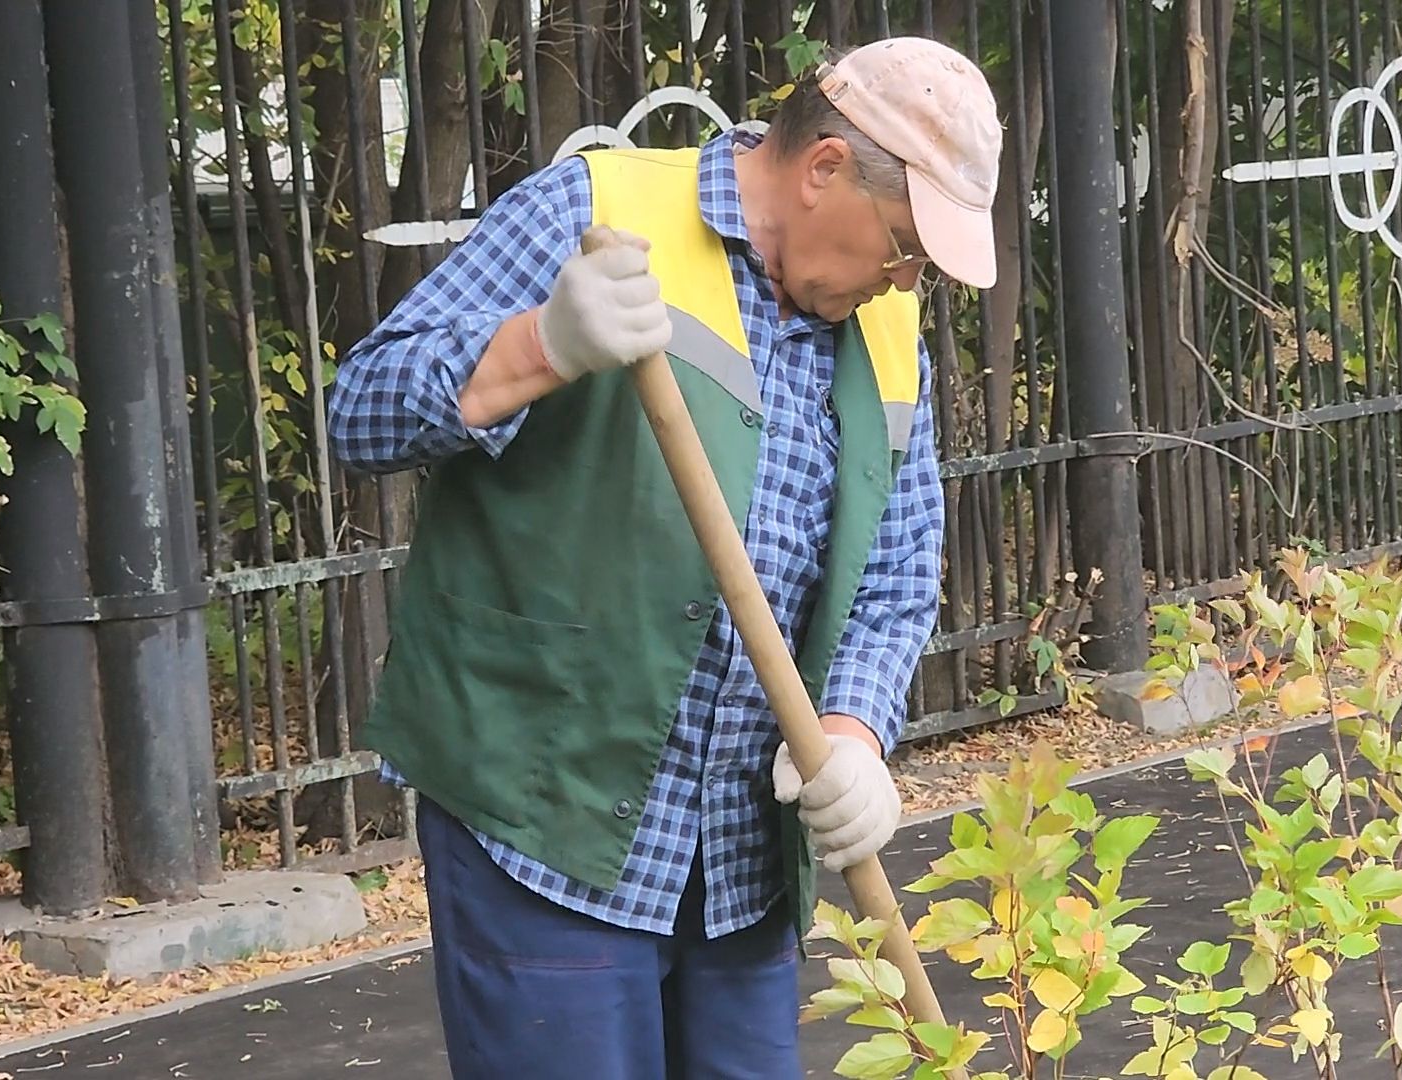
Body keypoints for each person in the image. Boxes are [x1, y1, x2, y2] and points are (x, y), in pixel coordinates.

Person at [326, 34, 1002, 1080]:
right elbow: (361, 414)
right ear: (826, 170)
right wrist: (538, 346)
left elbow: (898, 569)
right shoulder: (592, 215)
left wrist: (855, 730)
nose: (906, 278)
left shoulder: (886, 325)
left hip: (740, 865)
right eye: (906, 245)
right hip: (546, 830)